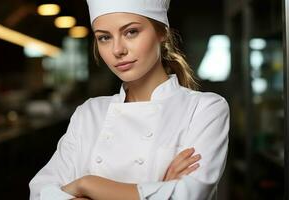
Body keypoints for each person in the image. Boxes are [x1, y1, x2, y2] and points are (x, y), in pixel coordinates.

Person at [29, 0, 230, 199]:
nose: (117, 50)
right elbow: (40, 192)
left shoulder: (204, 109)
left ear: (163, 33)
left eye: (131, 32)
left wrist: (87, 184)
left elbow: (188, 195)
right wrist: (159, 189)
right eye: (104, 38)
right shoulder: (89, 113)